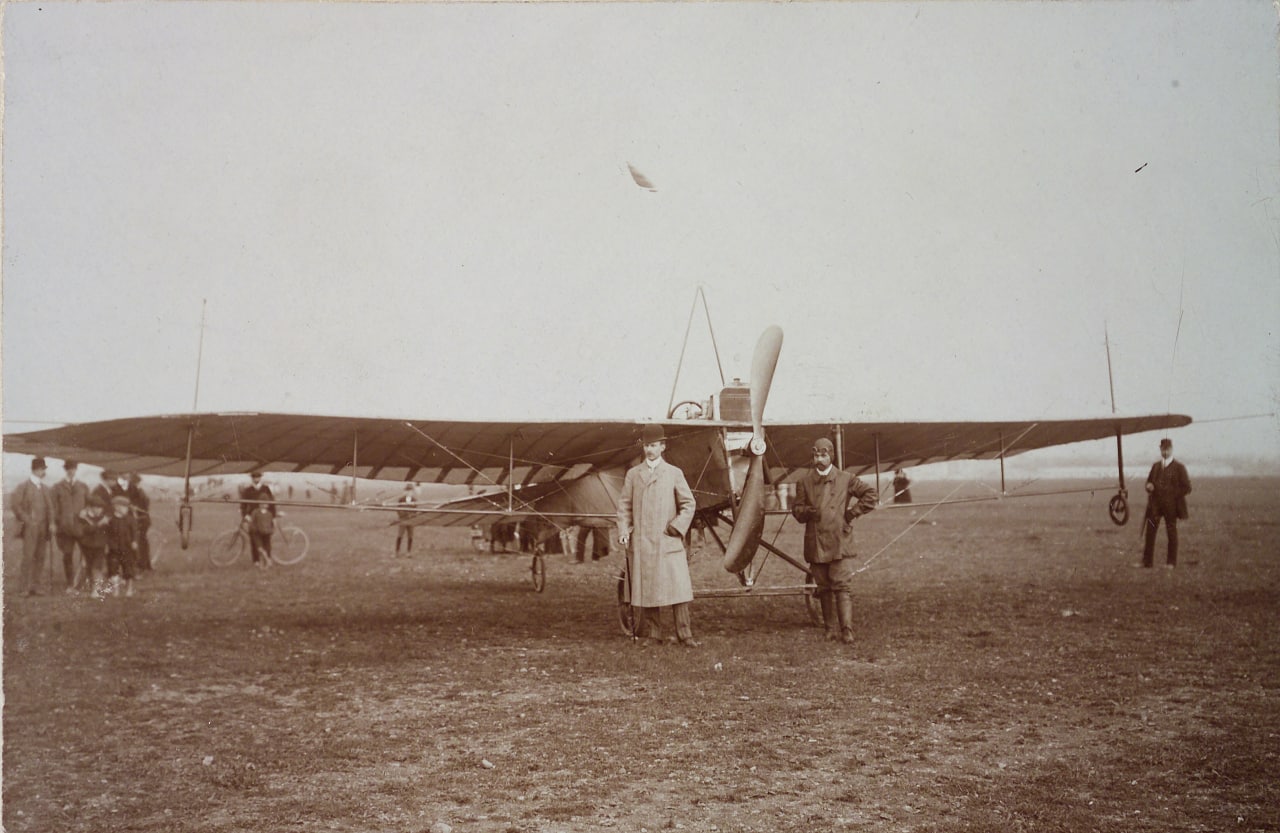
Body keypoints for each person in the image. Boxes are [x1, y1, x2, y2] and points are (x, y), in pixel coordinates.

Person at [617, 425, 699, 647]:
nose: (649, 450)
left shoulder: (674, 473)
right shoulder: (633, 474)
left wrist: (677, 527)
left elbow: (689, 503)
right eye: (646, 446)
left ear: (663, 447)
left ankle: (685, 634)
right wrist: (624, 529)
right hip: (642, 542)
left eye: (653, 445)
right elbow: (624, 505)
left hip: (667, 541)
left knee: (677, 588)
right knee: (648, 588)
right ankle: (655, 634)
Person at [791, 437, 878, 644]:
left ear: (831, 455)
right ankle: (829, 629)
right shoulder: (804, 482)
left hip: (839, 540)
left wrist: (852, 513)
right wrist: (808, 512)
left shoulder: (846, 478)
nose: (819, 459)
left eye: (823, 455)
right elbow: (797, 510)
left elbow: (871, 494)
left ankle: (847, 629)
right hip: (816, 541)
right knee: (823, 587)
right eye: (816, 455)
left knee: (842, 585)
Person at [1142, 438, 1191, 568]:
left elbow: (1187, 487)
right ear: (1160, 449)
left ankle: (1171, 563)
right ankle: (1147, 562)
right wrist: (1149, 486)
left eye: (1167, 449)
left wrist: (1172, 495)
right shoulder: (1155, 466)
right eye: (1163, 449)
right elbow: (1148, 482)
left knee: (1171, 532)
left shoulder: (1179, 467)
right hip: (1155, 505)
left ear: (1171, 449)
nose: (1165, 451)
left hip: (1171, 506)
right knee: (1150, 532)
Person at [13, 457, 55, 596]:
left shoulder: (45, 488)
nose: (44, 472)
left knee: (41, 557)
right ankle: (24, 588)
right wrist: (27, 520)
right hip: (30, 528)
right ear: (36, 470)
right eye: (43, 469)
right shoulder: (23, 487)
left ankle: (36, 586)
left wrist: (52, 523)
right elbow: (16, 506)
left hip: (43, 528)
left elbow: (50, 508)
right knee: (28, 557)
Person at [52, 460, 91, 592]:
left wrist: (86, 511)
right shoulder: (57, 487)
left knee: (86, 554)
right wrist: (57, 522)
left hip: (81, 527)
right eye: (69, 468)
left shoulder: (83, 486)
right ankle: (70, 584)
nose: (71, 471)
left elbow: (90, 504)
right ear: (65, 470)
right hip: (65, 529)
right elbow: (53, 507)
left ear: (76, 470)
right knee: (67, 555)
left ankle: (84, 581)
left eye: (73, 468)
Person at [76, 495, 111, 598]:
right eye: (96, 507)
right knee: (88, 567)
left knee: (97, 567)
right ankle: (90, 587)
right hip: (87, 547)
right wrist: (98, 524)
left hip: (100, 547)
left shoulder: (103, 518)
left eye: (100, 508)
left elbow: (109, 530)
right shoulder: (83, 519)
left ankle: (96, 589)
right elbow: (86, 530)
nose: (99, 510)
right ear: (90, 508)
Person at [240, 472, 277, 567]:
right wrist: (245, 515)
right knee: (254, 538)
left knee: (266, 538)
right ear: (252, 478)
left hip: (265, 516)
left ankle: (267, 559)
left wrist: (273, 516)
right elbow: (243, 504)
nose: (256, 479)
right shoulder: (248, 490)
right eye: (254, 477)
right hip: (253, 516)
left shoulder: (265, 488)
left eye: (258, 477)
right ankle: (256, 560)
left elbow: (272, 503)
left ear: (260, 478)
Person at [105, 495, 139, 596]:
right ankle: (116, 589)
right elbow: (107, 533)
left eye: (126, 507)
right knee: (113, 569)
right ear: (116, 507)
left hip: (127, 548)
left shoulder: (130, 519)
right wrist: (107, 545)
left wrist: (134, 541)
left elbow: (135, 532)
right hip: (113, 549)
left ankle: (129, 589)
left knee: (128, 568)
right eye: (123, 507)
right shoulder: (111, 520)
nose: (125, 509)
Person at [126, 473, 153, 572]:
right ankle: (143, 565)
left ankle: (143, 564)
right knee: (141, 542)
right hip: (141, 519)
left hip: (141, 520)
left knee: (141, 542)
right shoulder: (137, 491)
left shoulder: (135, 490)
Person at [395, 483, 417, 555]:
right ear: (405, 491)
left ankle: (409, 551)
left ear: (412, 492)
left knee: (410, 536)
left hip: (411, 520)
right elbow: (398, 509)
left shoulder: (414, 500)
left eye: (411, 491)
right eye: (408, 490)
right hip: (403, 520)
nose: (409, 492)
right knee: (400, 535)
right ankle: (397, 551)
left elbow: (415, 510)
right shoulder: (401, 499)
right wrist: (403, 515)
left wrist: (412, 516)